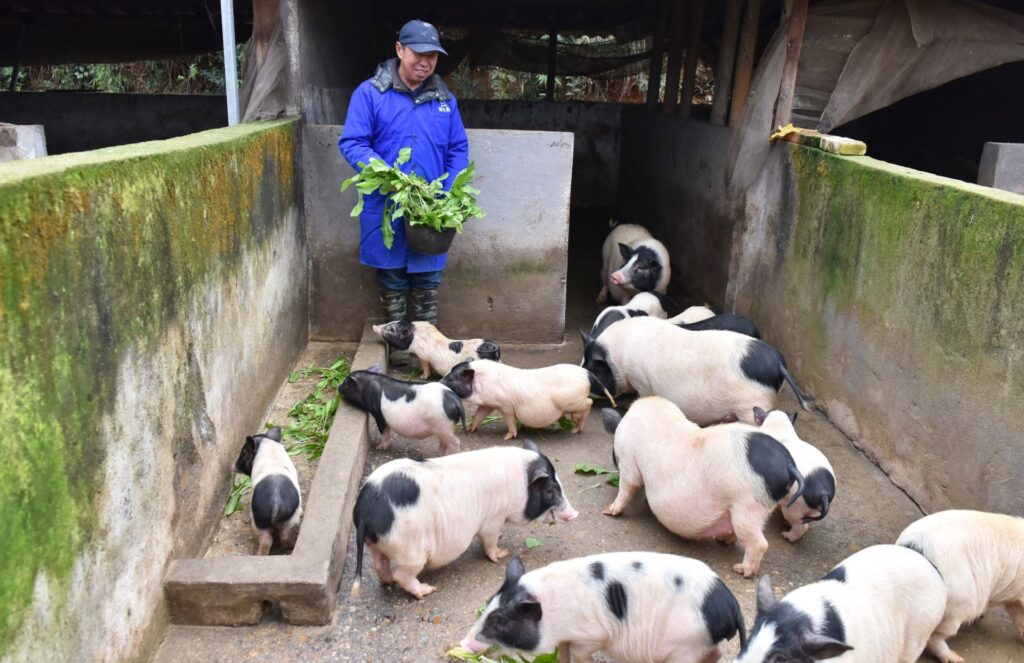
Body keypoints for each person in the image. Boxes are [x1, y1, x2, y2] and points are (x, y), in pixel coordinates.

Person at [339, 19, 468, 334]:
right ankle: (399, 352)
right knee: (392, 277)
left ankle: (427, 350)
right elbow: (353, 142)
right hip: (386, 203)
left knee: (428, 280)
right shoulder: (370, 94)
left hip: (430, 208)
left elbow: (458, 149)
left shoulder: (444, 101)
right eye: (418, 54)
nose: (425, 62)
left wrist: (446, 192)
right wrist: (385, 175)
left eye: (432, 56)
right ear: (399, 49)